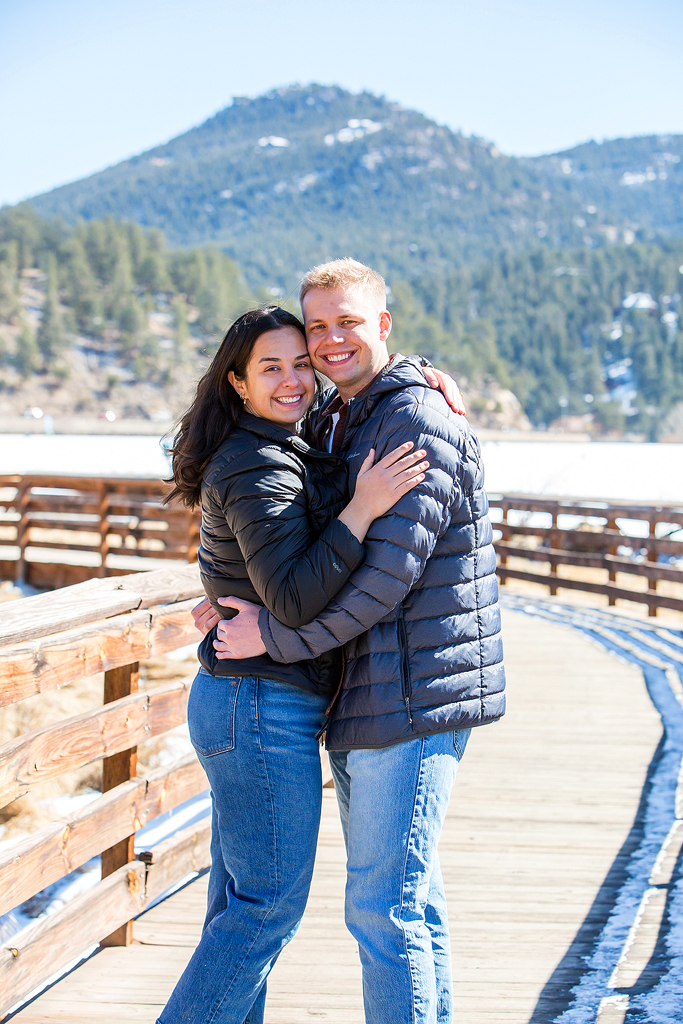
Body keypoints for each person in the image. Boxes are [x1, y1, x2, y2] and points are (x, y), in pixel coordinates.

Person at [211, 259, 506, 1024]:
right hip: (367, 694)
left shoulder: (414, 422)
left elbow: (384, 581)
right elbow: (287, 533)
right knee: (406, 906)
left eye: (348, 321)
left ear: (381, 324)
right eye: (318, 327)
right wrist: (218, 598)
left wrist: (271, 633)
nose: (331, 339)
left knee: (386, 914)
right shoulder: (344, 417)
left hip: (408, 696)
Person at [158, 304, 459, 1024]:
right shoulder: (257, 462)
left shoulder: (287, 446)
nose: (294, 378)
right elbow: (292, 598)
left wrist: (418, 378)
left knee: (242, 907)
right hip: (258, 705)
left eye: (302, 362)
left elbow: (272, 576)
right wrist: (361, 511)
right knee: (263, 911)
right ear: (236, 382)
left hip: (258, 701)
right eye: (271, 367)